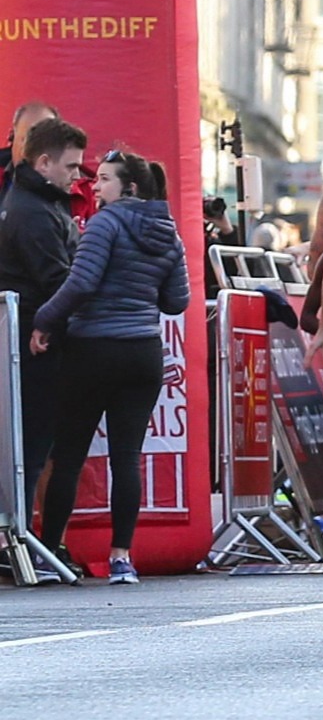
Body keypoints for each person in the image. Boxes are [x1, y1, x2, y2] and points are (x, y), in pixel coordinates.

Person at [28, 148, 181, 582]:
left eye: (104, 180)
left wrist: (44, 321)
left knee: (69, 455)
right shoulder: (167, 231)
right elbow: (177, 300)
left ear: (128, 187)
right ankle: (121, 557)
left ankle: (51, 554)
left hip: (93, 349)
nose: (94, 187)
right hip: (142, 353)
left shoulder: (104, 224)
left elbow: (82, 282)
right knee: (126, 459)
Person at [0, 114, 85, 511]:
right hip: (32, 345)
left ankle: (17, 536)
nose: (76, 175)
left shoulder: (37, 203)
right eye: (70, 166)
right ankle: (14, 538)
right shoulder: (33, 211)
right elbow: (59, 281)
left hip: (31, 339)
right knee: (30, 446)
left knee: (31, 446)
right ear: (44, 163)